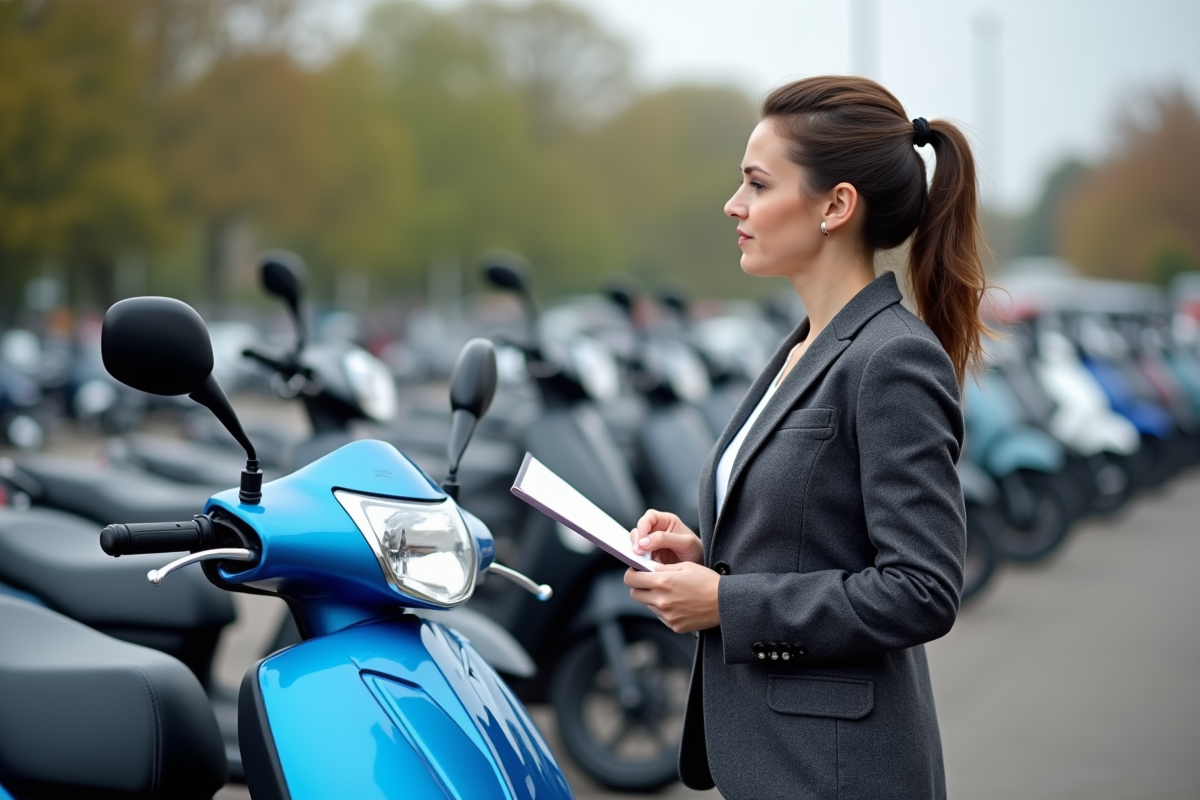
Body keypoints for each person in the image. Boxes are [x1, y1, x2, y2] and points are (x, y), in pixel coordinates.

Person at [624, 76, 988, 799]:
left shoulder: (891, 358)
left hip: (838, 773)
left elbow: (921, 589)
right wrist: (711, 555)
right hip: (779, 761)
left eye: (757, 184)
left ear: (836, 205)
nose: (735, 205)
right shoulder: (802, 348)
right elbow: (821, 532)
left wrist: (726, 604)